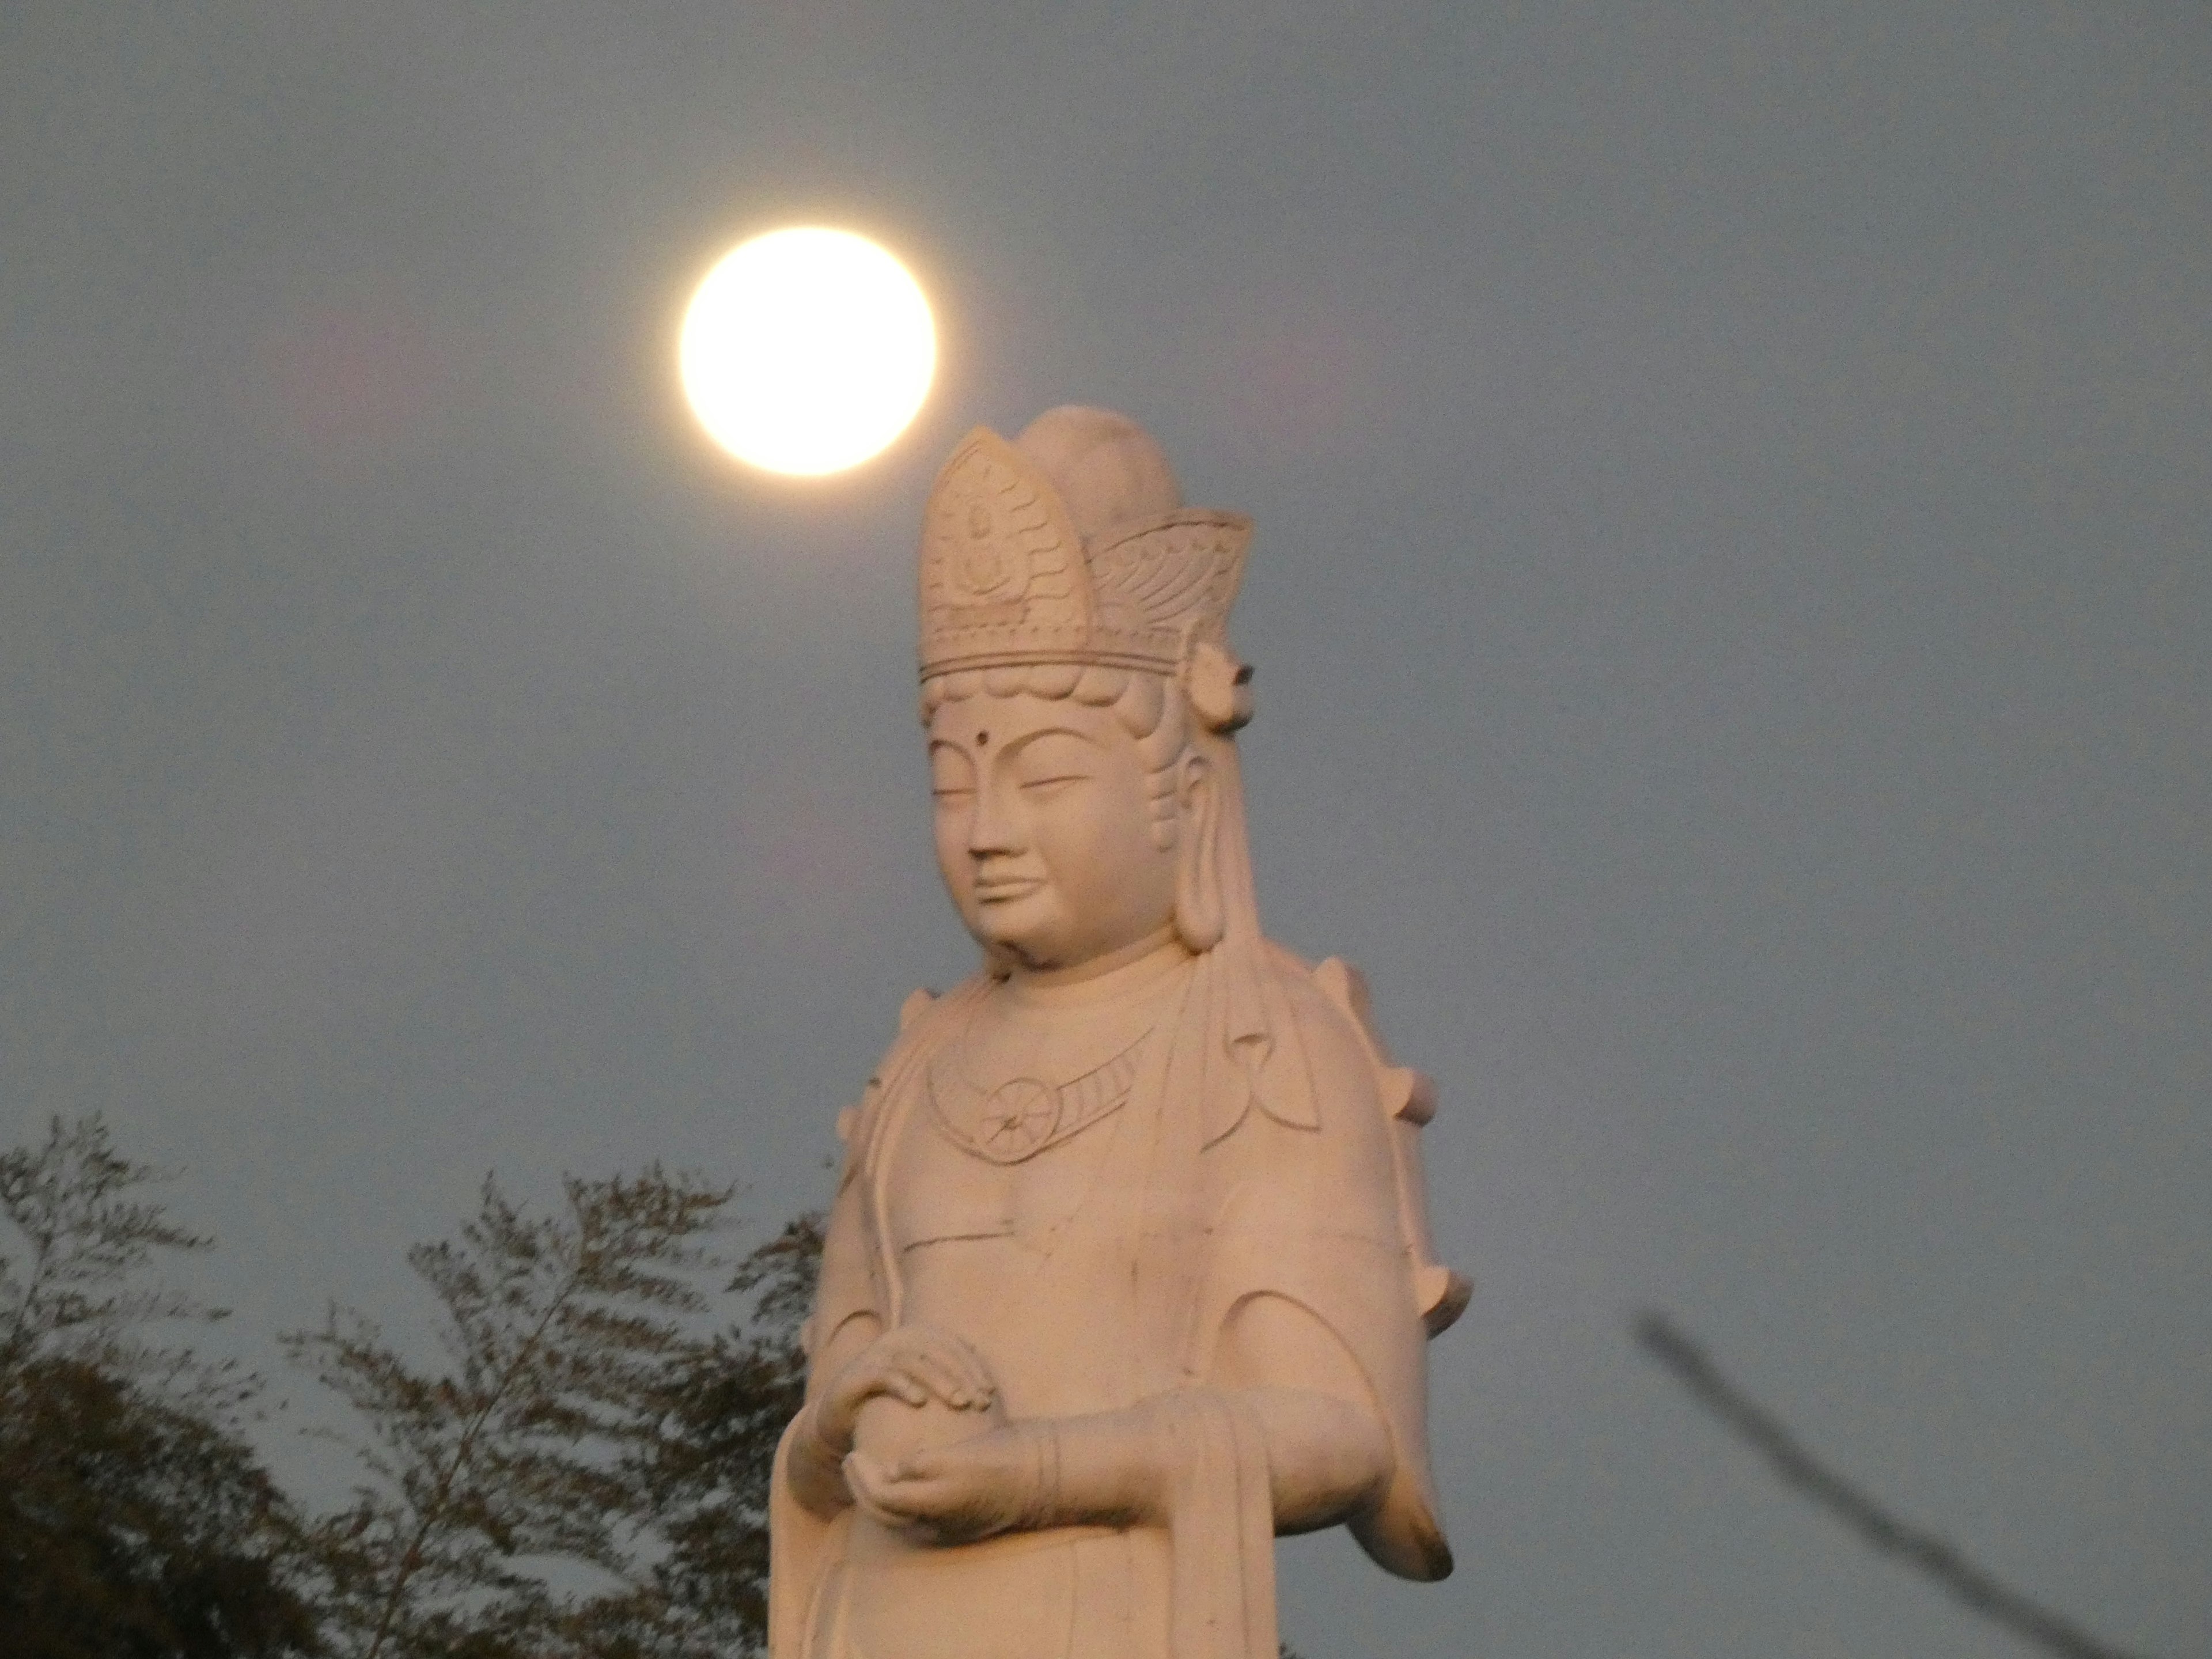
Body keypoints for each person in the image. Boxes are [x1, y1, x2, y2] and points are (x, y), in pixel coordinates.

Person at [768, 408, 1467, 1659]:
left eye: (1043, 781)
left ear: (1179, 794)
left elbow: (1333, 1433)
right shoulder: (923, 1062)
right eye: (950, 783)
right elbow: (832, 1399)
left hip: (1105, 1614)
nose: (985, 829)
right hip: (878, 1613)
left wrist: (1034, 1471)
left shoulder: (1261, 1042)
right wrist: (847, 1418)